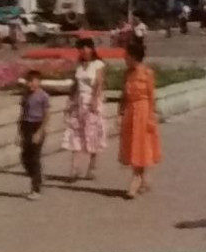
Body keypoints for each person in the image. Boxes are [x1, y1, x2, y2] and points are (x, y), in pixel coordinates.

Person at [118, 40, 162, 199]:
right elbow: (123, 95)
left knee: (141, 145)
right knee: (133, 146)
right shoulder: (127, 74)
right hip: (131, 111)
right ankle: (144, 179)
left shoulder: (147, 73)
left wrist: (151, 115)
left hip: (143, 111)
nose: (124, 58)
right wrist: (120, 113)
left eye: (127, 55)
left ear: (134, 56)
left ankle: (135, 180)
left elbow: (151, 96)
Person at [62, 38, 107, 181]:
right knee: (76, 132)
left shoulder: (98, 64)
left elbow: (99, 83)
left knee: (92, 133)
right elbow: (75, 85)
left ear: (92, 49)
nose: (84, 51)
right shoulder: (79, 66)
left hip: (91, 100)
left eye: (87, 48)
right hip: (79, 100)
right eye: (81, 48)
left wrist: (95, 99)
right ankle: (74, 168)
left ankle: (92, 166)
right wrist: (69, 101)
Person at [16, 69, 50, 200]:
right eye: (28, 82)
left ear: (38, 82)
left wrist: (40, 131)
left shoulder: (43, 96)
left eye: (32, 81)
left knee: (35, 157)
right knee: (25, 156)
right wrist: (19, 132)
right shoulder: (25, 96)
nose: (30, 84)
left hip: (37, 125)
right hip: (26, 125)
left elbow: (47, 115)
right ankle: (37, 177)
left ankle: (35, 188)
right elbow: (22, 114)